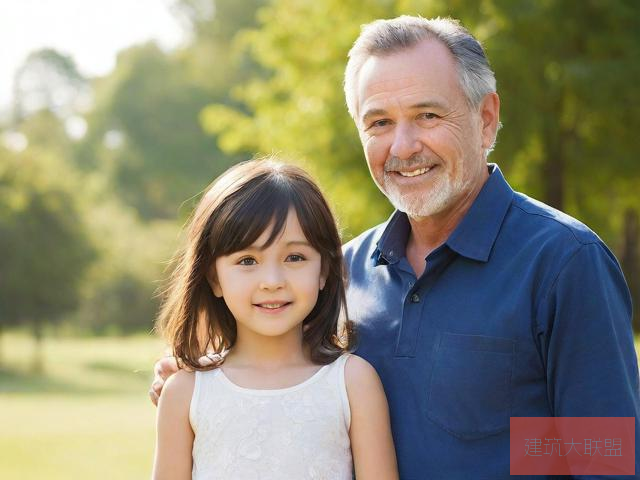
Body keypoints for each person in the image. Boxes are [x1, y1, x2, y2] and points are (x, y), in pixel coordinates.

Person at [152, 16, 640, 478]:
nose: (403, 147)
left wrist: (506, 445)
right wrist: (202, 380)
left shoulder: (564, 262)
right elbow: (280, 381)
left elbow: (605, 452)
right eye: (379, 122)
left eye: (427, 115)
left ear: (486, 119)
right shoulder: (341, 272)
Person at [151, 158, 398, 480]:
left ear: (324, 269)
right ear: (213, 277)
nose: (272, 280)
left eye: (295, 257)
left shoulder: (354, 383)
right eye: (247, 260)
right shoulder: (185, 392)